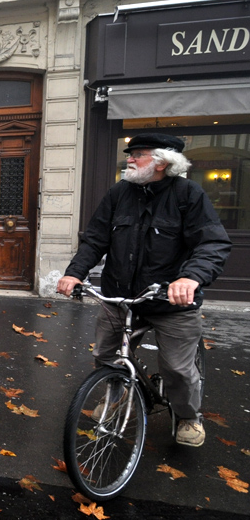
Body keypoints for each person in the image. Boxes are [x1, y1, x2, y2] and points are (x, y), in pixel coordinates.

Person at [57, 133, 231, 447]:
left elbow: (212, 243)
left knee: (177, 368)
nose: (130, 159)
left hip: (171, 299)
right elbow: (96, 239)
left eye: (139, 154)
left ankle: (189, 416)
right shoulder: (118, 193)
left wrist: (190, 278)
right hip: (121, 296)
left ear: (163, 162)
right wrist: (74, 274)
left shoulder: (188, 195)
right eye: (130, 154)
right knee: (107, 355)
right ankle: (117, 396)